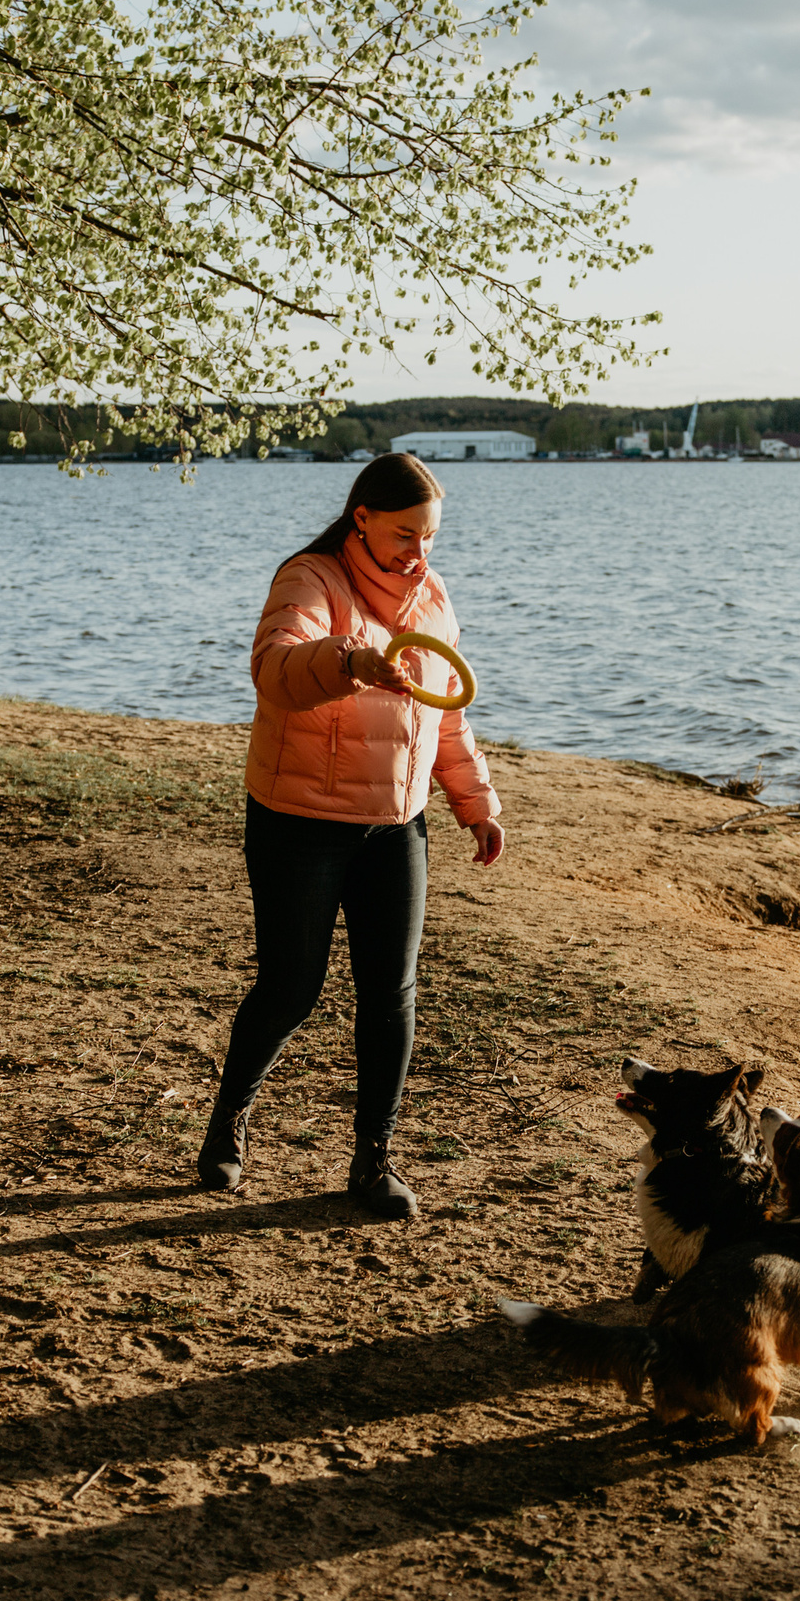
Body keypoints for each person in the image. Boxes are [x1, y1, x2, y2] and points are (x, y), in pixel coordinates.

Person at [197, 452, 506, 1218]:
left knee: (391, 993)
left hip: (395, 826)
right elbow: (274, 667)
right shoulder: (310, 580)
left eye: (429, 537)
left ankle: (373, 1158)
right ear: (362, 518)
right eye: (405, 534)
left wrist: (476, 802)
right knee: (291, 986)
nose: (419, 552)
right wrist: (354, 662)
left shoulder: (433, 600)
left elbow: (448, 718)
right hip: (298, 820)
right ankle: (228, 1120)